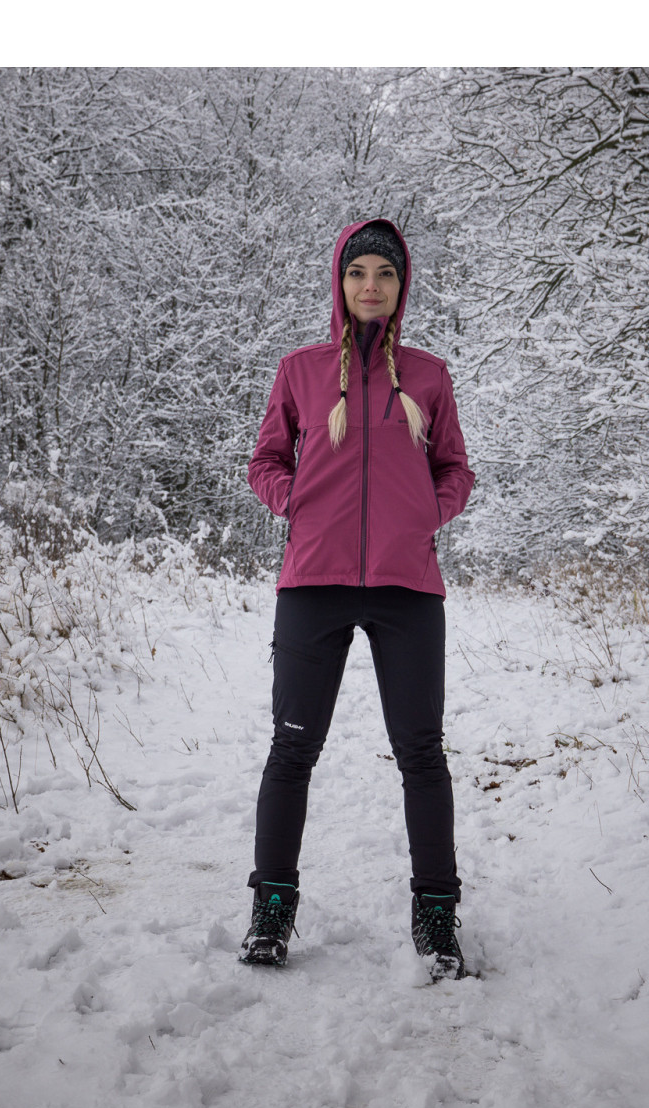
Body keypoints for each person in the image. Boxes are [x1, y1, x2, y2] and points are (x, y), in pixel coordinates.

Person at [239, 218, 476, 980]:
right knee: (292, 749)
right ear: (339, 282)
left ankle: (436, 914)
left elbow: (456, 470)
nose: (370, 285)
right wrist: (296, 505)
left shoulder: (429, 376)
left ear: (403, 287)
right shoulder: (301, 371)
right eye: (358, 272)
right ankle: (272, 909)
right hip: (314, 582)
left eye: (385, 273)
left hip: (408, 588)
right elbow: (266, 460)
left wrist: (425, 515)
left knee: (422, 754)